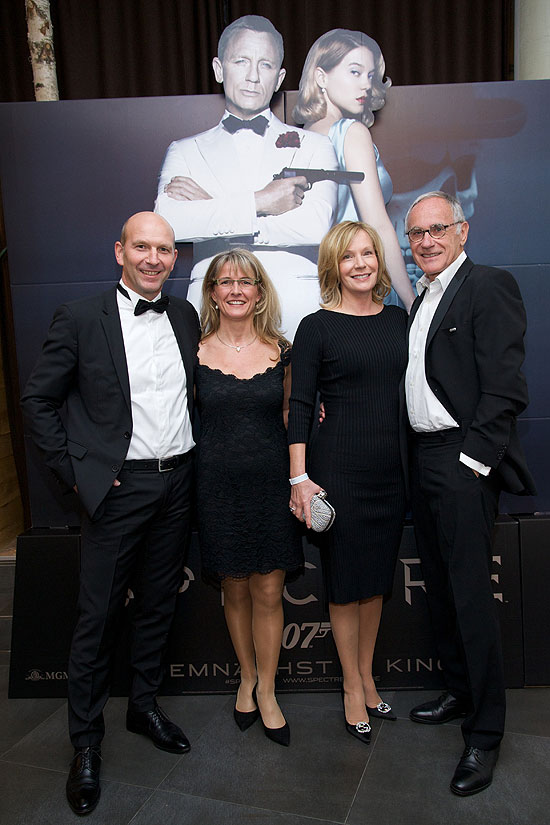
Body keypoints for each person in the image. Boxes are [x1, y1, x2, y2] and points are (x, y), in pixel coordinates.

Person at [20, 212, 200, 816]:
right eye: (142, 246)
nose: (153, 258)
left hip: (178, 484)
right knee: (96, 619)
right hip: (117, 493)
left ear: (175, 260)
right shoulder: (78, 318)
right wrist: (77, 474)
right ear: (118, 251)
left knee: (157, 603)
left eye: (165, 249)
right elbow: (39, 399)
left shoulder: (183, 315)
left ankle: (143, 705)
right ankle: (86, 744)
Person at [404, 191, 536, 795]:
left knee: (471, 598)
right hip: (422, 460)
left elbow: (504, 390)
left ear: (463, 231)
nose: (426, 241)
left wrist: (471, 464)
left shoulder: (489, 286)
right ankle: (459, 693)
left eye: (437, 229)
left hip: (461, 462)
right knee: (441, 588)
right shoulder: (423, 299)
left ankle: (485, 735)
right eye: (416, 234)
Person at [288, 220, 407, 744]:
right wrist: (300, 476)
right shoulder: (316, 326)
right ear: (334, 266)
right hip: (338, 470)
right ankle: (351, 688)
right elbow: (299, 406)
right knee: (345, 582)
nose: (361, 263)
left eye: (369, 253)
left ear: (379, 260)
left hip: (391, 470)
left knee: (376, 581)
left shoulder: (400, 322)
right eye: (349, 256)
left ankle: (369, 675)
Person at [155, 14, 338, 339]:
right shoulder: (184, 151)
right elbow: (169, 224)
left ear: (280, 76)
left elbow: (314, 227)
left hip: (295, 308)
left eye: (265, 65)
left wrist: (212, 207)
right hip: (212, 309)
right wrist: (262, 201)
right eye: (241, 61)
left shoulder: (317, 146)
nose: (253, 76)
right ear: (219, 68)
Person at [196, 248, 303, 747]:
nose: (235, 289)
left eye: (246, 281)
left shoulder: (283, 350)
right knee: (234, 589)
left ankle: (270, 690)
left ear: (260, 291)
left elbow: (292, 419)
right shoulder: (191, 352)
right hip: (216, 488)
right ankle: (246, 677)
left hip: (269, 487)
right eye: (225, 281)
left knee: (267, 591)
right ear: (212, 293)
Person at [293, 29, 415, 311]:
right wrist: (411, 302)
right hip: (362, 288)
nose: (366, 86)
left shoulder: (301, 138)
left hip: (323, 289)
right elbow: (378, 223)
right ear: (321, 76)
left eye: (370, 76)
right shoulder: (351, 132)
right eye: (355, 72)